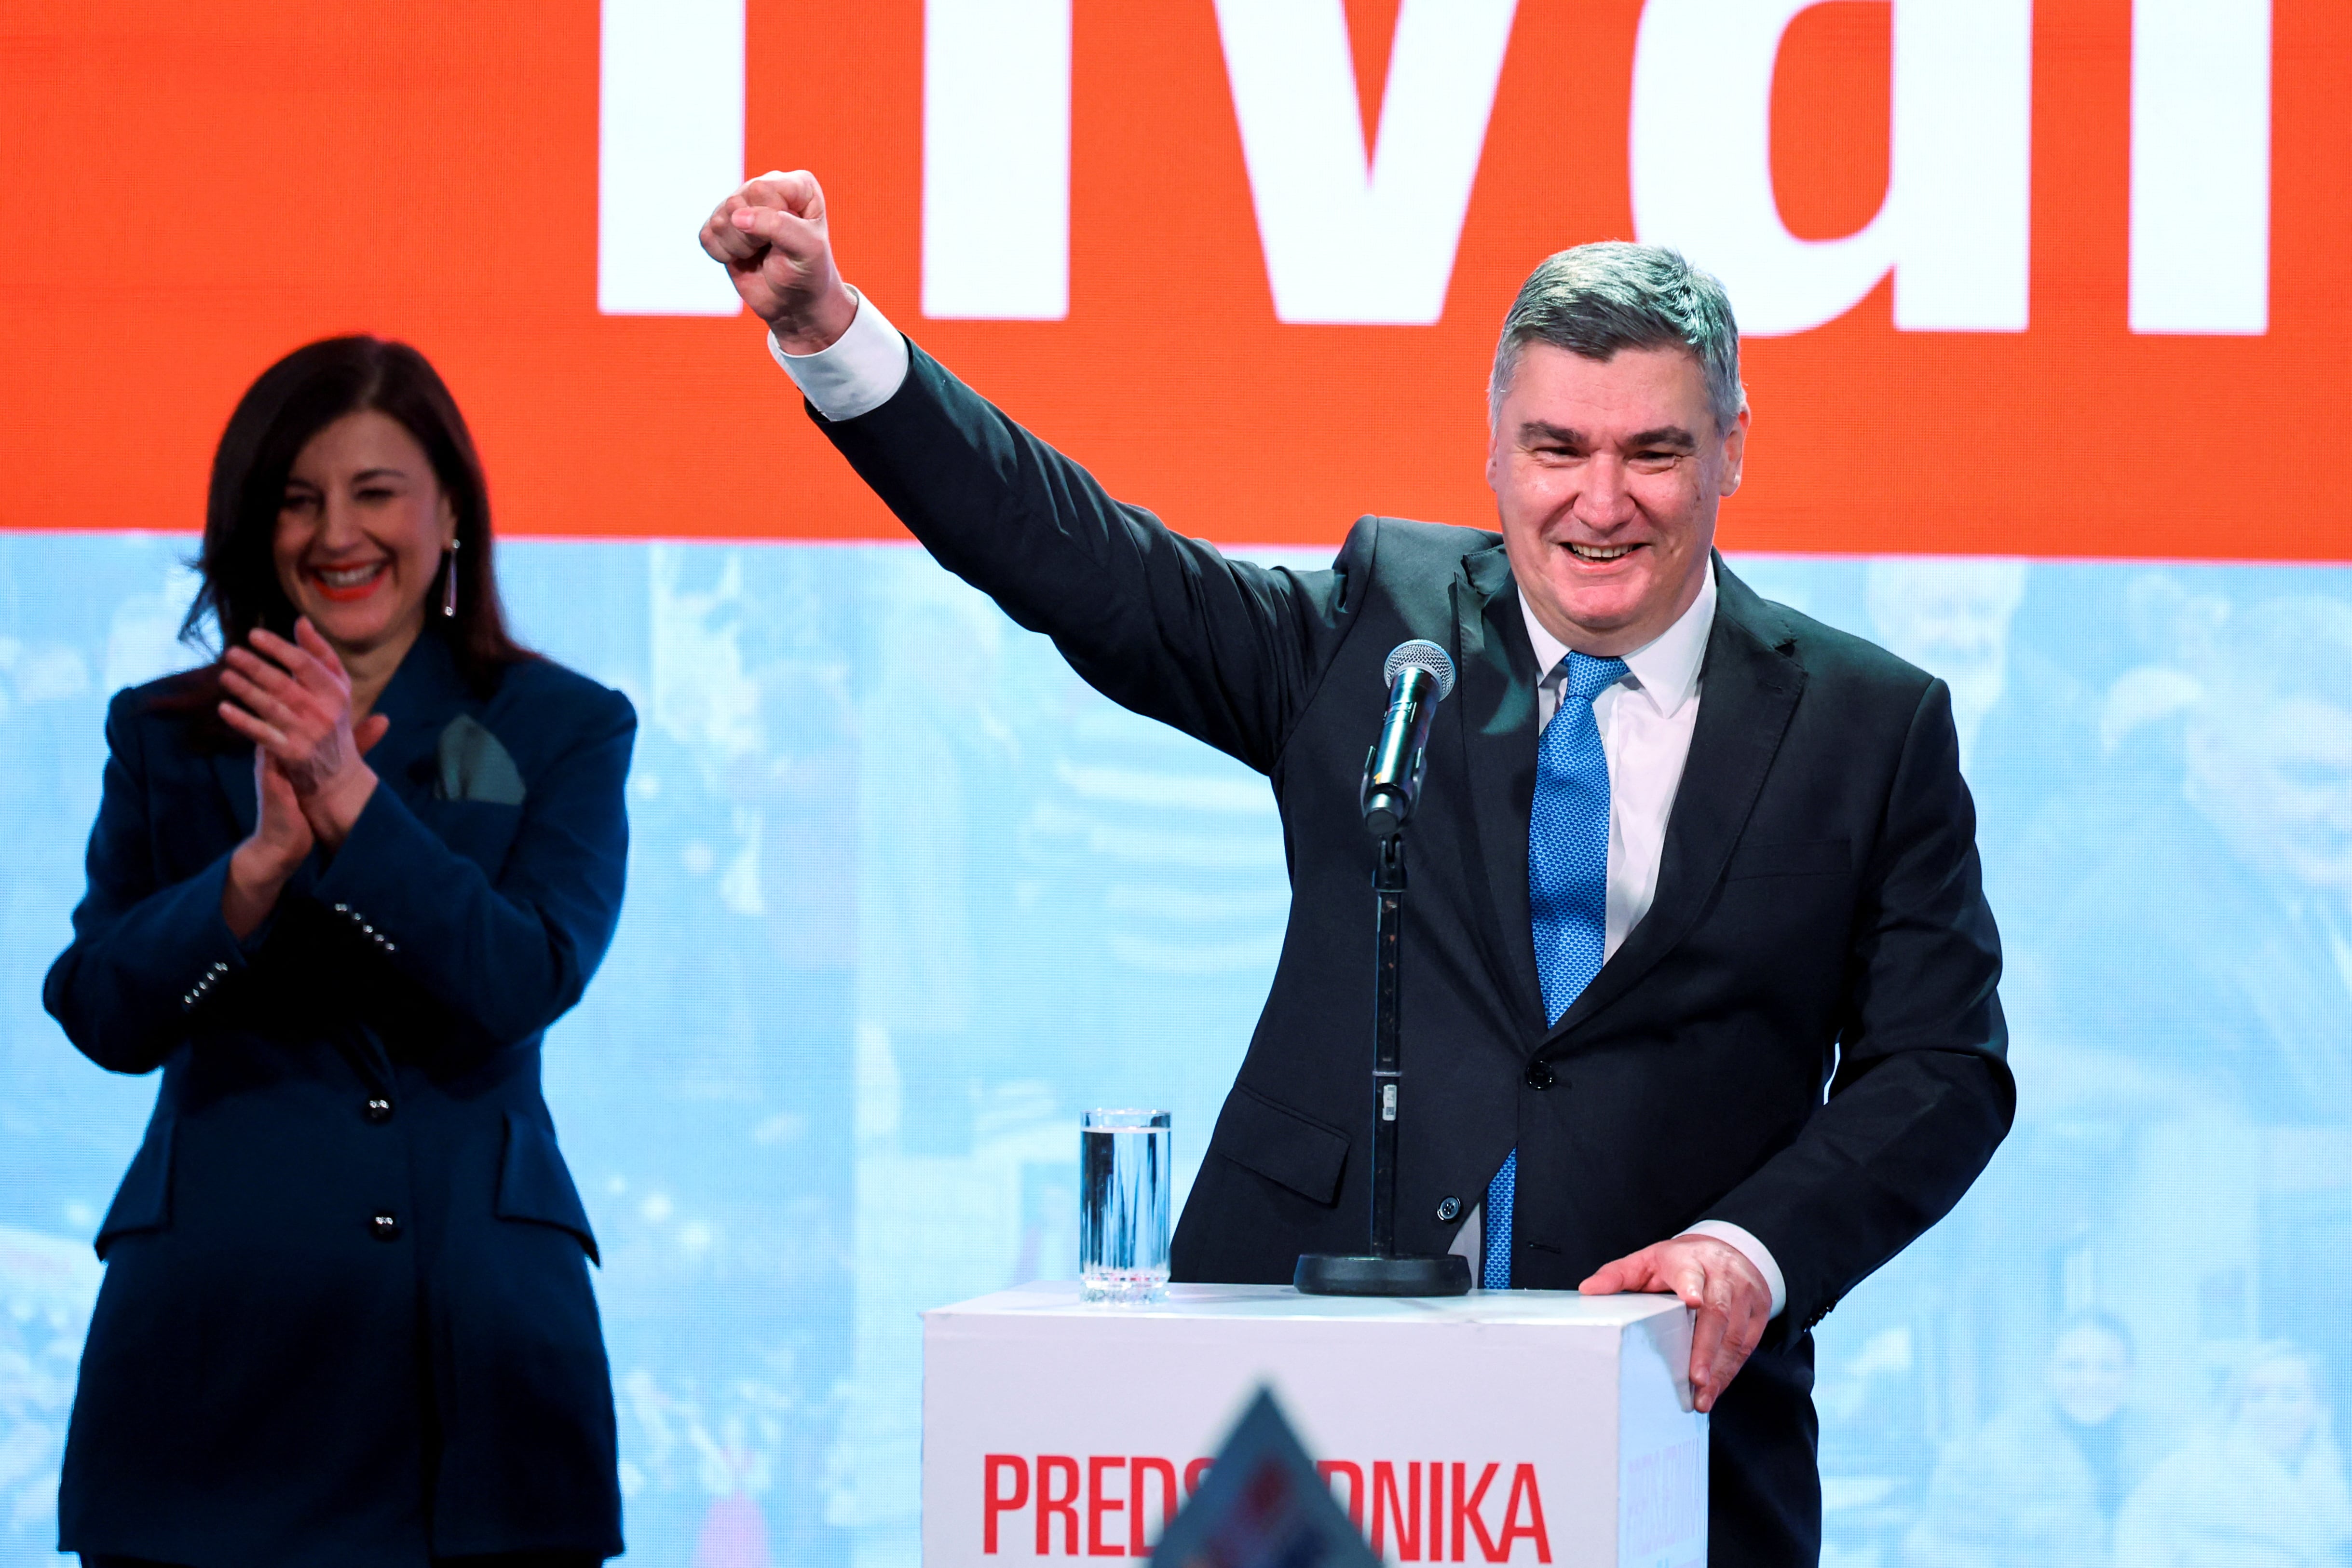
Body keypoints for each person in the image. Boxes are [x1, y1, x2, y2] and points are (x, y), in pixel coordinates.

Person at [698, 171, 2012, 1565]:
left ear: (1731, 447)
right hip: (1303, 1415)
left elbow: (1941, 1067)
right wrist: (835, 340)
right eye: (1555, 448)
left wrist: (1748, 1251)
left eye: (1652, 451)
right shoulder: (1383, 635)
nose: (1600, 502)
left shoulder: (1866, 725)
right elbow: (1084, 561)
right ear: (1493, 448)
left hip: (1669, 1423)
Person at [43, 338, 636, 1567]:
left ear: (449, 512)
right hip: (214, 1338)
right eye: (298, 499)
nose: (336, 534)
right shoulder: (165, 735)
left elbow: (525, 976)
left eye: (374, 492)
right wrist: (253, 871)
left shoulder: (562, 725)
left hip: (473, 1348)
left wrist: (351, 804)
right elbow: (102, 1009)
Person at [1904, 1312, 2169, 1567]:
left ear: (2129, 1374)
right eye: (2073, 1366)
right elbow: (1941, 1548)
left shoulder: (2162, 1450)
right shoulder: (1991, 1452)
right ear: (2049, 1370)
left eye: (2107, 1368)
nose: (2090, 1382)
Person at [2115, 1343, 2352, 1568]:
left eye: (2290, 1396)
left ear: (2319, 1407)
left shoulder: (2337, 1482)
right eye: (2258, 1396)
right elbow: (2139, 1540)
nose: (2272, 1409)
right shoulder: (2188, 1471)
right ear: (2238, 1406)